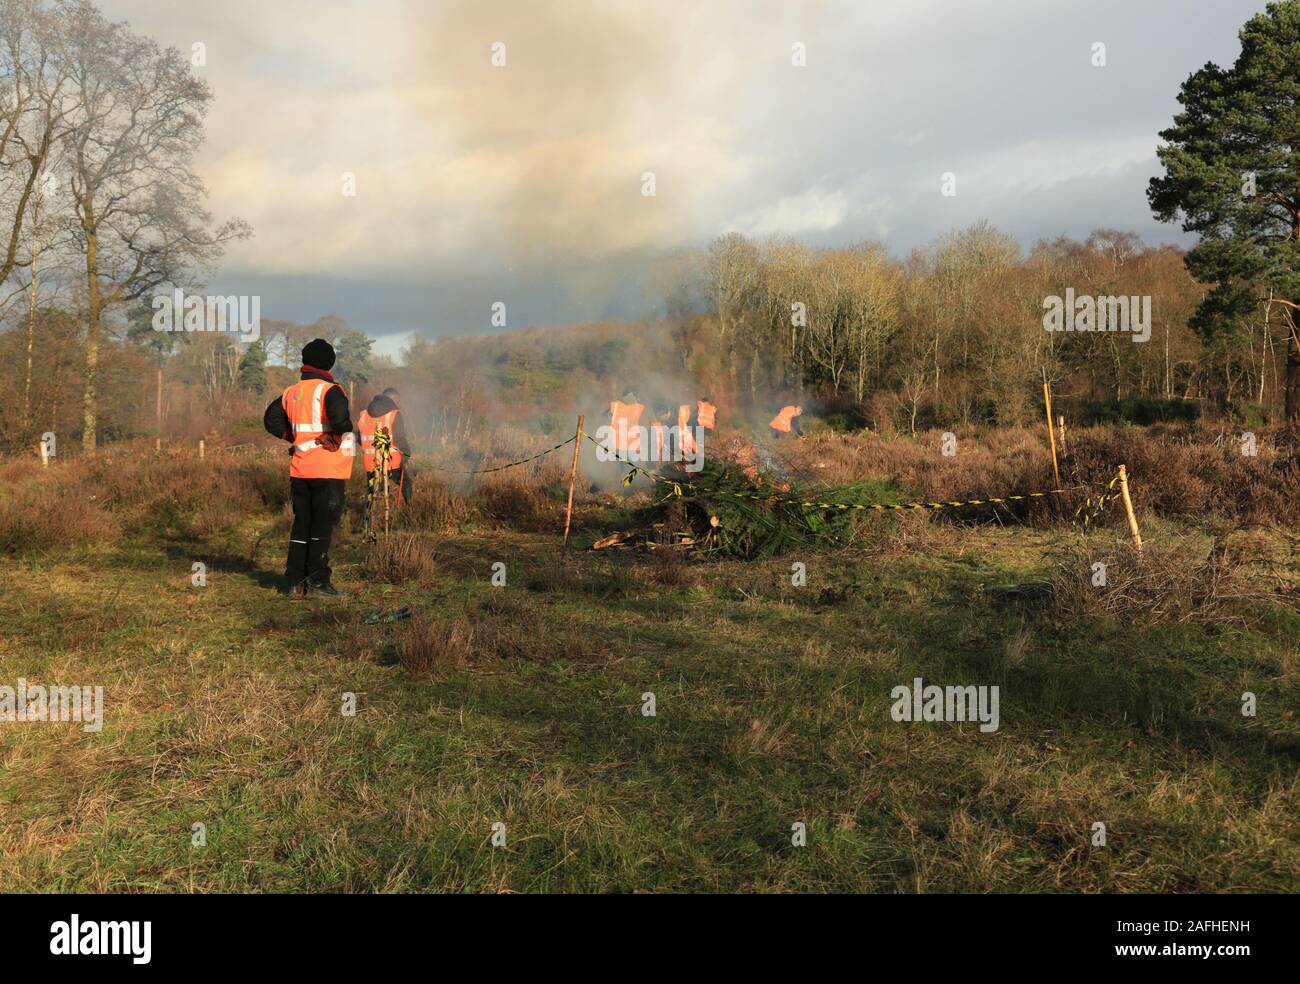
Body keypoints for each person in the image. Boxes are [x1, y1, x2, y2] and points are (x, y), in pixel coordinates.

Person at [263, 338, 355, 597]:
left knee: (302, 525)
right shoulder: (330, 390)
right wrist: (338, 436)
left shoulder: (292, 392)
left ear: (305, 361)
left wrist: (292, 437)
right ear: (329, 363)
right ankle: (318, 583)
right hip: (327, 469)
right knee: (323, 527)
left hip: (300, 469)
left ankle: (294, 583)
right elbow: (340, 421)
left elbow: (270, 419)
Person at [357, 386, 413, 521]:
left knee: (373, 489)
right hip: (391, 460)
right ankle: (410, 513)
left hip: (371, 462)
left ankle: (366, 520)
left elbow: (360, 438)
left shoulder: (364, 414)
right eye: (397, 401)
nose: (397, 404)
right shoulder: (394, 413)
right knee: (405, 483)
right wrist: (407, 453)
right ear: (392, 398)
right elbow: (400, 438)